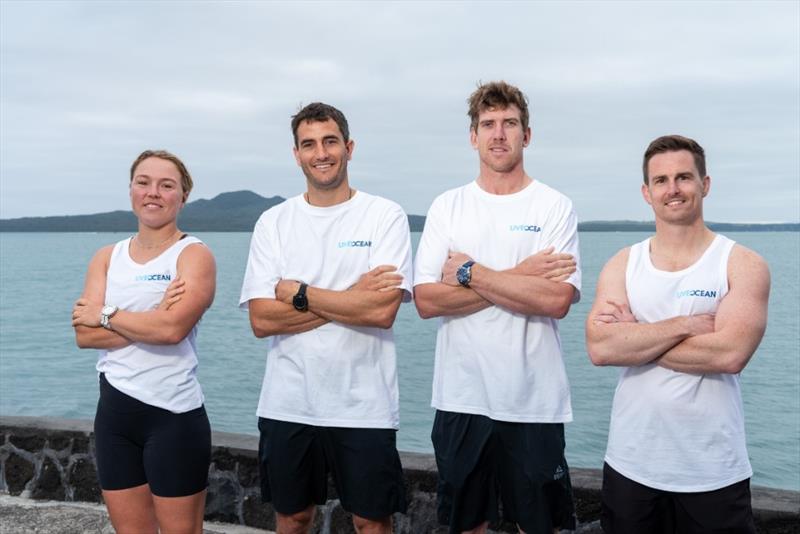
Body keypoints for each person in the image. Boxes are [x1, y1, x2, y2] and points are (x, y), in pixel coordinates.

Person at [413, 81, 581, 534]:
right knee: (468, 526)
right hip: (461, 398)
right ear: (473, 136)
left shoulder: (553, 206)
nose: (499, 134)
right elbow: (426, 302)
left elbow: (557, 299)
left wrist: (471, 273)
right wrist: (524, 273)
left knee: (538, 526)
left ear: (527, 134)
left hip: (534, 402)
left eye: (510, 123)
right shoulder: (448, 207)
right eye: (488, 124)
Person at [239, 102, 412, 534]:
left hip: (364, 404)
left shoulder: (384, 215)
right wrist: (351, 297)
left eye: (330, 141)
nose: (321, 153)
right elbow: (262, 320)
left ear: (349, 148)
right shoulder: (273, 222)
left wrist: (298, 293)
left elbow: (382, 310)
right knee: (293, 518)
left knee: (372, 522)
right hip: (288, 401)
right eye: (309, 144)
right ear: (296, 154)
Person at [586, 134, 770, 534]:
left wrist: (634, 339)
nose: (673, 189)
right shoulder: (623, 264)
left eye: (684, 177)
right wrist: (685, 325)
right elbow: (600, 347)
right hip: (631, 467)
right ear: (646, 192)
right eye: (661, 180)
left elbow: (728, 355)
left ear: (705, 184)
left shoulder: (741, 264)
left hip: (713, 473)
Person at [72, 150, 216, 534]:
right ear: (131, 190)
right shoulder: (107, 257)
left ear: (182, 197)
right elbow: (84, 335)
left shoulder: (194, 255)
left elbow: (172, 332)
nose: (153, 193)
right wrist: (154, 315)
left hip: (173, 418)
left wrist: (108, 314)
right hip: (115, 419)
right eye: (144, 182)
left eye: (166, 185)